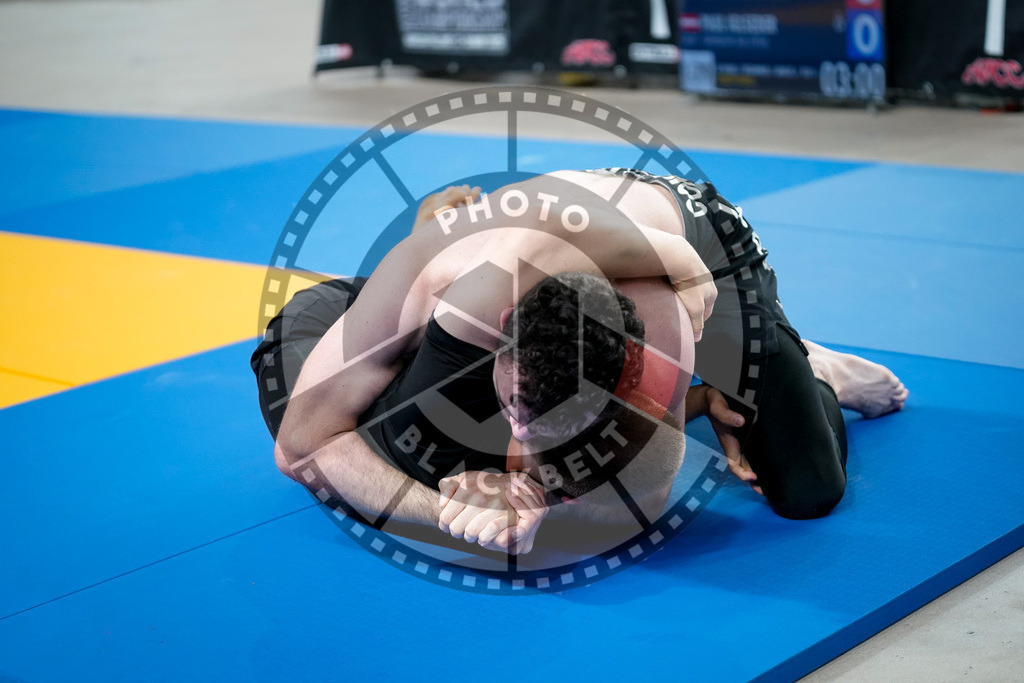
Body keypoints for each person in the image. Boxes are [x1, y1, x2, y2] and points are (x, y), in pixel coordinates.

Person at [252, 170, 907, 555]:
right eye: (514, 413)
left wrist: (537, 506)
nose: (518, 445)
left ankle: (816, 367)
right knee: (390, 447)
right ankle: (361, 322)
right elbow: (299, 450)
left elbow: (641, 501)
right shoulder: (454, 291)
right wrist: (445, 509)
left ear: (627, 382)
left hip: (706, 250)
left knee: (807, 490)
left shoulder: (666, 327)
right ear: (497, 346)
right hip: (537, 242)